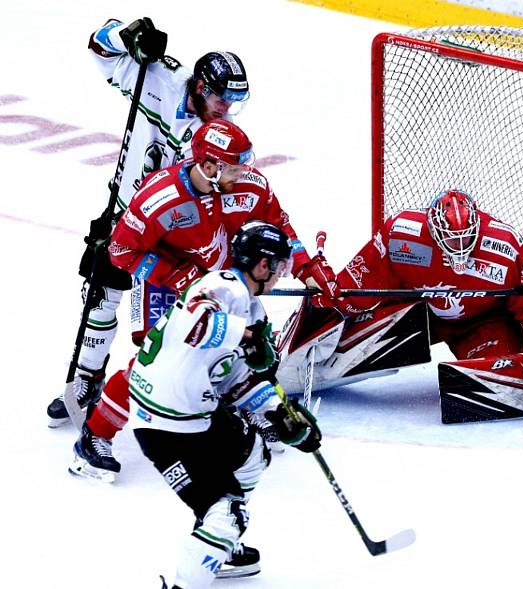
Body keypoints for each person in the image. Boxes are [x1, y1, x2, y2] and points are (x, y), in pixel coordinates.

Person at [68, 119, 337, 480]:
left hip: (227, 281)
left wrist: (306, 266)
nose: (245, 173)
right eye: (235, 167)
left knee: (253, 347)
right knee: (155, 366)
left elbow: (280, 228)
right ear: (209, 166)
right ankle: (95, 436)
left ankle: (246, 410)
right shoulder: (160, 197)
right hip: (167, 284)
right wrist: (174, 275)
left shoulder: (250, 187)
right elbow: (120, 250)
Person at [47, 15, 253, 426]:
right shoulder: (157, 78)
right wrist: (126, 36)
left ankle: (205, 388)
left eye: (234, 102)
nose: (227, 110)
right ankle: (88, 377)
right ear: (200, 87)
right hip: (126, 213)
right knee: (101, 296)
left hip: (179, 238)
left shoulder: (219, 136)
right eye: (221, 100)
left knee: (181, 320)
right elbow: (98, 46)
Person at [276, 189, 523, 422]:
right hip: (419, 315)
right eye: (450, 240)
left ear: (479, 227)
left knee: (490, 375)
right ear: (431, 230)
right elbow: (360, 284)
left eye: (466, 240)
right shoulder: (401, 234)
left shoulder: (505, 245)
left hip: (481, 323)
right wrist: (335, 303)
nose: (459, 248)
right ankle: (288, 355)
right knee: (341, 323)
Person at [129, 221, 321, 587]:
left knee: (252, 455)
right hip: (164, 423)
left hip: (194, 411)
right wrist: (245, 336)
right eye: (280, 266)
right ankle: (211, 542)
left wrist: (280, 412)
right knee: (228, 512)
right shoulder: (220, 286)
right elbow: (195, 327)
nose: (282, 274)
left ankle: (219, 546)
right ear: (262, 265)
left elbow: (234, 379)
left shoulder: (252, 308)